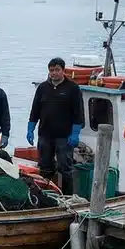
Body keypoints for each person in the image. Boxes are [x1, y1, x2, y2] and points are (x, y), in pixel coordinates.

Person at [27, 58, 84, 194]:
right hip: (45, 135)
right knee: (45, 167)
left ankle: (68, 197)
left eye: (57, 70)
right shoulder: (42, 88)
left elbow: (79, 112)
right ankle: (46, 195)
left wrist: (75, 132)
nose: (54, 73)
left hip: (65, 136)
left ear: (63, 71)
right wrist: (30, 128)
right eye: (51, 70)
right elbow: (35, 110)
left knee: (65, 168)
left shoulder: (73, 88)